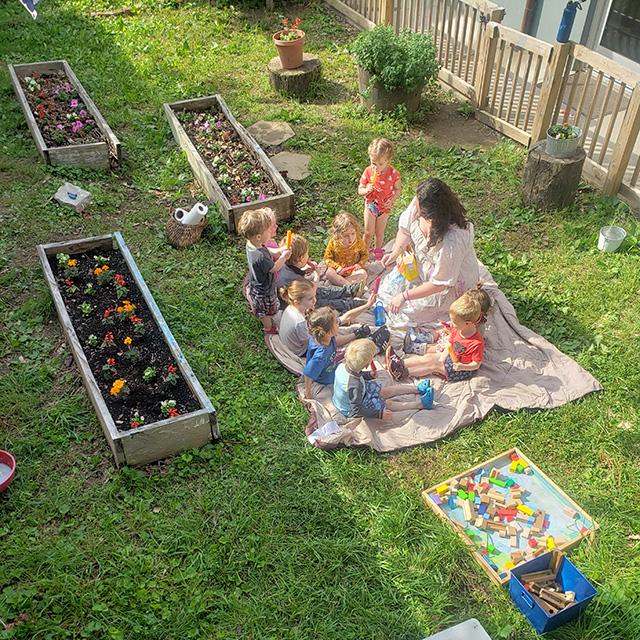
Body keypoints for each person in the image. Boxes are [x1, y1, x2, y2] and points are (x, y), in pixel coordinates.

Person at [378, 178, 479, 328]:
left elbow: (440, 283)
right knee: (386, 291)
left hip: (447, 285)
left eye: (421, 213)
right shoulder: (421, 201)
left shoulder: (453, 240)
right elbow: (405, 229)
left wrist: (405, 296)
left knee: (404, 311)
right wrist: (396, 251)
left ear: (435, 216)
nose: (416, 210)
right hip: (423, 268)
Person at [386, 294, 484, 382]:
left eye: (455, 322)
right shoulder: (458, 329)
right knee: (430, 357)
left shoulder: (476, 343)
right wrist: (442, 356)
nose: (451, 323)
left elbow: (476, 364)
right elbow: (450, 343)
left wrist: (462, 366)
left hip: (460, 369)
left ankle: (403, 373)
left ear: (468, 323)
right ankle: (398, 363)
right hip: (452, 356)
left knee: (433, 365)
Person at [333, 339, 433, 421]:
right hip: (351, 408)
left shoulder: (344, 366)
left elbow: (356, 374)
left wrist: (368, 375)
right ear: (366, 364)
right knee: (387, 403)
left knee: (385, 390)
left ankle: (417, 389)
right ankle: (420, 404)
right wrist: (379, 414)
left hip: (359, 393)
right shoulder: (354, 385)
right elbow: (357, 409)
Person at [279, 280, 372, 358]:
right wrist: (329, 332)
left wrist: (368, 305)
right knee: (329, 337)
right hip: (301, 351)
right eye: (310, 298)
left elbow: (342, 319)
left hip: (302, 339)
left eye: (314, 296)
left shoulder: (292, 308)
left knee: (335, 321)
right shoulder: (299, 322)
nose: (315, 300)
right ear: (297, 301)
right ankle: (356, 334)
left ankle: (364, 306)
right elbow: (315, 343)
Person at [278, 233, 364, 313]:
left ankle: (347, 291)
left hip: (300, 296)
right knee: (326, 302)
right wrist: (317, 275)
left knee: (323, 290)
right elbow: (312, 291)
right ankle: (350, 304)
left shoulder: (285, 266)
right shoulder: (297, 279)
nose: (308, 256)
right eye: (307, 254)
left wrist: (304, 271)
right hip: (301, 306)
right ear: (301, 258)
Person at [238, 207, 290, 333]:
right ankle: (268, 328)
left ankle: (256, 306)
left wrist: (278, 250)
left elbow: (267, 249)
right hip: (264, 291)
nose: (270, 232)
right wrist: (283, 257)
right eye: (268, 230)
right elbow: (274, 268)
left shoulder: (252, 244)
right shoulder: (260, 257)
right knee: (265, 312)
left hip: (257, 282)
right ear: (259, 236)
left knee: (266, 308)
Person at [403, 282, 492, 355]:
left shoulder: (477, 329)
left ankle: (416, 348)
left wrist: (451, 336)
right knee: (440, 331)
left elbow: (464, 343)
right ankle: (425, 338)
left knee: (440, 347)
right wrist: (450, 328)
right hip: (454, 333)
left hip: (456, 344)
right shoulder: (466, 317)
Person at [358, 138, 401, 261]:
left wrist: (392, 200)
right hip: (371, 205)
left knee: (379, 233)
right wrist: (366, 190)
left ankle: (378, 250)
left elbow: (398, 189)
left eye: (381, 164)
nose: (377, 167)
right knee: (368, 232)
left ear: (388, 160)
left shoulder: (394, 174)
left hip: (384, 208)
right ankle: (363, 251)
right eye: (373, 163)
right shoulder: (368, 171)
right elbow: (360, 189)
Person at [323, 212, 369, 287]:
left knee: (363, 273)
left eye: (353, 233)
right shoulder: (334, 242)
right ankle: (349, 285)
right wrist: (337, 267)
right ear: (338, 234)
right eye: (345, 236)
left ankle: (344, 284)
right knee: (329, 273)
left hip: (353, 271)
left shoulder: (358, 242)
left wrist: (360, 264)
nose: (350, 239)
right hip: (338, 271)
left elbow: (365, 254)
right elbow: (327, 258)